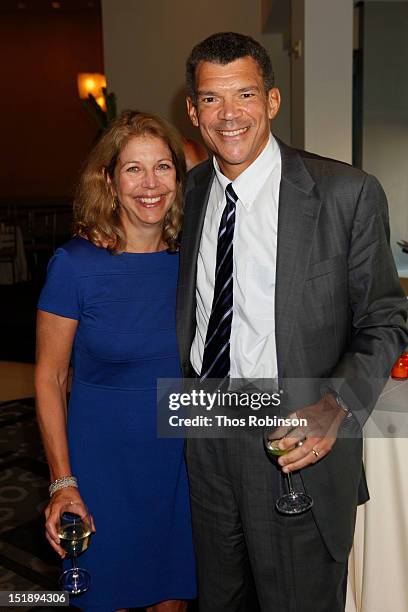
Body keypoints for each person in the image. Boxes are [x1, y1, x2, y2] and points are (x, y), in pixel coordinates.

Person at [176, 32, 408, 612]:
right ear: (192, 110)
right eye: (211, 99)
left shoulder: (345, 193)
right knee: (219, 597)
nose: (229, 115)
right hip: (204, 426)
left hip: (294, 427)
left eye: (245, 95)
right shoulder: (191, 190)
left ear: (273, 101)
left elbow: (384, 318)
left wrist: (338, 403)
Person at [35, 110, 196, 612]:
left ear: (178, 175)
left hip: (180, 466)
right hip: (103, 466)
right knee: (107, 597)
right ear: (108, 179)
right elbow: (49, 377)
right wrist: (63, 481)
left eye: (163, 167)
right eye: (133, 169)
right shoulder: (75, 266)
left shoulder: (194, 259)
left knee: (172, 600)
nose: (150, 184)